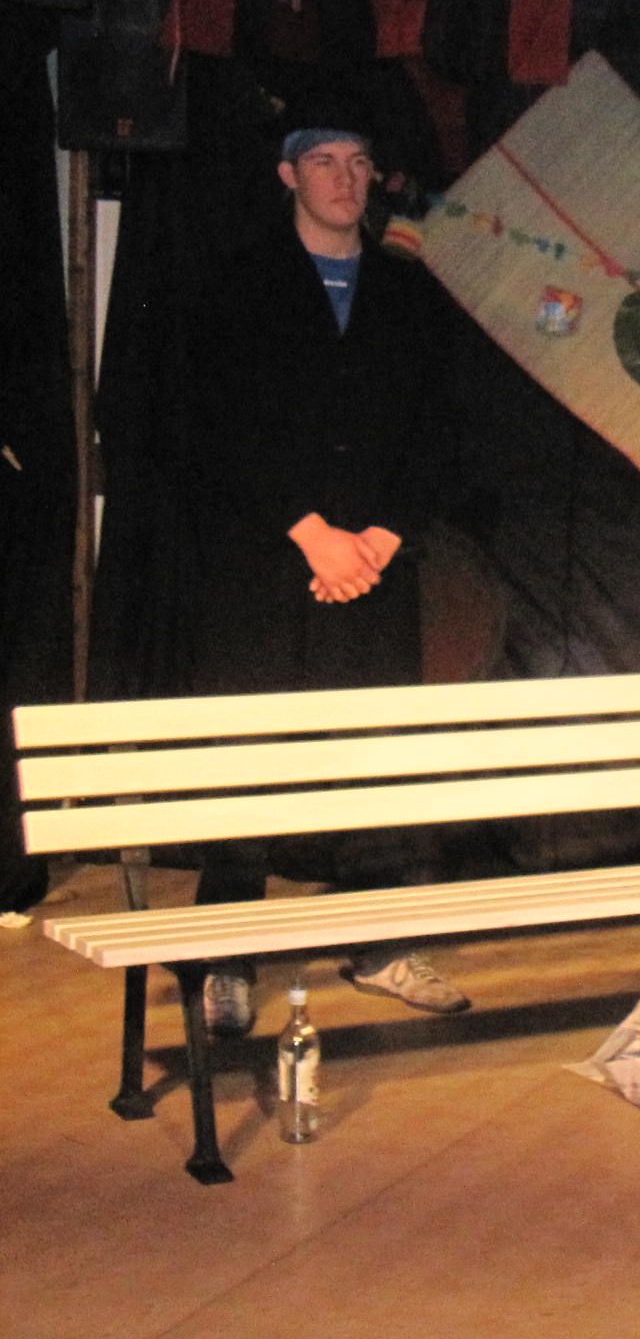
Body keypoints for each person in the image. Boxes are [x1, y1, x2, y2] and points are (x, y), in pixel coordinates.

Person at [181, 124, 469, 1035]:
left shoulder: (408, 291)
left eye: (357, 163)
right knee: (251, 751)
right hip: (269, 563)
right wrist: (310, 533)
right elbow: (215, 420)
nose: (344, 179)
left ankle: (378, 944)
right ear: (288, 175)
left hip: (374, 568)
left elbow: (439, 425)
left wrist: (380, 536)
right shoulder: (238, 281)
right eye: (322, 163)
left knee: (375, 750)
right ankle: (226, 954)